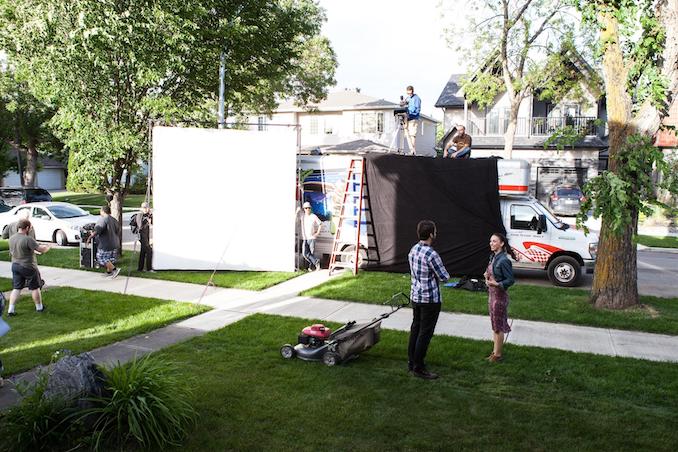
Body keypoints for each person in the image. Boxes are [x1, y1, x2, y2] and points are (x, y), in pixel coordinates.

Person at [407, 220, 449, 380]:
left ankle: (411, 362)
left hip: (416, 297)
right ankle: (419, 367)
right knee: (425, 333)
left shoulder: (413, 249)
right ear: (431, 234)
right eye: (435, 231)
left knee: (415, 329)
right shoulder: (431, 254)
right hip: (430, 300)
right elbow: (444, 277)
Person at [484, 232, 516, 362]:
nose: (491, 243)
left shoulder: (504, 260)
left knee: (499, 326)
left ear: (502, 243)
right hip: (492, 296)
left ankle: (497, 355)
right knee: (495, 325)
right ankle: (494, 352)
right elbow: (492, 272)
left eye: (494, 241)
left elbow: (510, 280)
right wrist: (486, 274)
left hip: (499, 297)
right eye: (491, 241)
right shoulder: (494, 257)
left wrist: (497, 284)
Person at [7, 219, 50, 316]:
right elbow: (41, 249)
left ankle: (11, 310)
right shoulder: (28, 239)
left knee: (17, 288)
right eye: (29, 228)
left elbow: (20, 249)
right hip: (28, 267)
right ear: (27, 228)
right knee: (35, 287)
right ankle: (39, 308)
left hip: (15, 265)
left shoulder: (12, 238)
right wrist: (47, 247)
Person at [88, 205, 121, 278]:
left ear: (102, 211)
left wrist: (89, 237)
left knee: (101, 258)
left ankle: (114, 270)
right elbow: (118, 230)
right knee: (109, 258)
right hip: (115, 243)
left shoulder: (103, 220)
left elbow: (97, 231)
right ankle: (109, 272)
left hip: (105, 244)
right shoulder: (114, 220)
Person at [297, 202, 322, 271]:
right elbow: (295, 219)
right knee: (305, 254)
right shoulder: (302, 216)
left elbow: (320, 224)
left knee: (311, 253)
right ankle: (316, 261)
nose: (307, 209)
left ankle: (311, 267)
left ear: (310, 209)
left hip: (312, 238)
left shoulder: (313, 216)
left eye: (309, 208)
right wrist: (297, 211)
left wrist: (317, 233)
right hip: (305, 238)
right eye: (306, 208)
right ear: (304, 209)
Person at [401, 85, 421, 155]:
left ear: (412, 91)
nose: (409, 94)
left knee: (412, 134)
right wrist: (403, 103)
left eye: (410, 93)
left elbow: (416, 109)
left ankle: (412, 150)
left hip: (413, 118)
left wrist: (409, 111)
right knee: (407, 134)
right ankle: (411, 149)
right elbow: (404, 104)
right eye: (408, 93)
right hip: (407, 118)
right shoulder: (408, 98)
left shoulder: (416, 98)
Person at [135, 202, 153, 272]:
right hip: (142, 236)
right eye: (146, 208)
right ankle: (149, 268)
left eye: (148, 208)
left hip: (146, 235)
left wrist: (150, 216)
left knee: (143, 252)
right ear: (142, 208)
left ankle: (140, 268)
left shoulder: (147, 215)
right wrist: (146, 221)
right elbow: (140, 226)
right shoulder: (140, 215)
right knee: (149, 251)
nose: (147, 209)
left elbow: (152, 222)